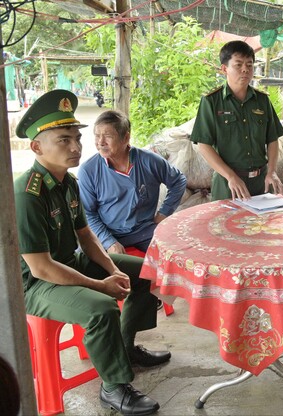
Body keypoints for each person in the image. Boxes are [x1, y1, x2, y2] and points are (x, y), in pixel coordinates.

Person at [14, 90, 169, 416]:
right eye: (63, 140)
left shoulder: (67, 182)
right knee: (101, 308)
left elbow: (85, 235)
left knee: (144, 271)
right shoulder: (27, 194)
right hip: (34, 285)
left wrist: (112, 269)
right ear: (37, 147)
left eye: (76, 138)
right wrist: (100, 285)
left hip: (68, 263)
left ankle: (125, 350)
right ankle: (114, 387)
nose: (76, 147)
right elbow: (41, 269)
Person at [79, 110, 187, 254]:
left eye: (108, 136)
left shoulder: (149, 161)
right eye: (97, 136)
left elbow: (178, 180)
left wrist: (164, 213)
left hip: (145, 230)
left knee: (177, 252)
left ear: (126, 137)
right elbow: (88, 213)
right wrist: (109, 242)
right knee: (84, 263)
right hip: (108, 232)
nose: (100, 142)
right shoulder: (88, 170)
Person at [191, 40, 283, 201]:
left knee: (263, 225)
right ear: (224, 68)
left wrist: (271, 172)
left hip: (261, 183)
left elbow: (272, 139)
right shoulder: (211, 102)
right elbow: (204, 145)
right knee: (224, 225)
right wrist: (230, 177)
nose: (245, 70)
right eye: (238, 65)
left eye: (249, 65)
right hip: (228, 184)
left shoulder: (262, 101)